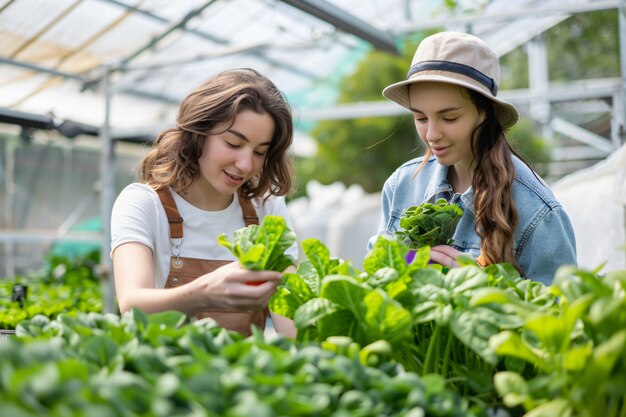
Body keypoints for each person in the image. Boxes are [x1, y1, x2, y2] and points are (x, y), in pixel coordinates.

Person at [369, 31, 576, 285]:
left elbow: (559, 314)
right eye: (421, 118)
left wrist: (482, 287)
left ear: (485, 114)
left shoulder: (536, 210)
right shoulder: (401, 186)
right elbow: (375, 279)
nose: (432, 135)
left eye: (450, 118)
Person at [111, 68, 297, 336]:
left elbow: (288, 316)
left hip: (248, 374)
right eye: (233, 143)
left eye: (259, 152)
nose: (246, 165)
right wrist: (204, 294)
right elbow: (131, 305)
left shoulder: (266, 206)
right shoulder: (143, 203)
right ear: (199, 132)